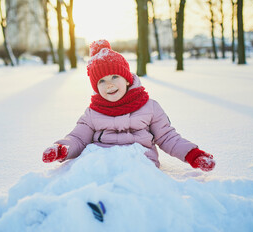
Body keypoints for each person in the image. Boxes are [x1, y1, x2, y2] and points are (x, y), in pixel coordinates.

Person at [42, 40, 215, 172]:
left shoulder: (150, 108)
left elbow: (167, 138)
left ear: (127, 78)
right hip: (101, 165)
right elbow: (78, 138)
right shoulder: (92, 113)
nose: (109, 84)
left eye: (114, 77)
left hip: (140, 167)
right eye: (102, 81)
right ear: (95, 87)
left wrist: (193, 155)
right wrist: (62, 149)